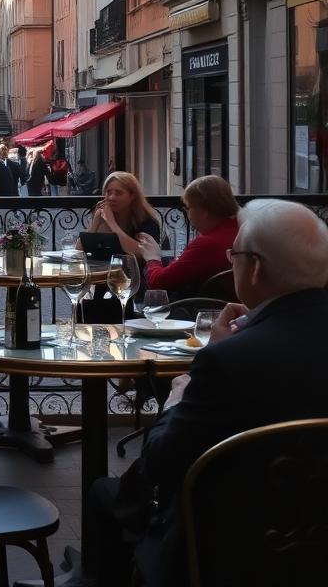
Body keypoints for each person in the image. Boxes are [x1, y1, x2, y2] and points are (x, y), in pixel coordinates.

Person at [86, 199, 328, 587]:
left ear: (255, 267)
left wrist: (179, 396)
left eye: (234, 256)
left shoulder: (228, 360)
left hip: (234, 551)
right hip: (313, 544)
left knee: (105, 492)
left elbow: (161, 464)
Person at [128, 175, 240, 298]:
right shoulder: (240, 231)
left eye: (188, 208)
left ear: (204, 211)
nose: (187, 213)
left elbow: (158, 282)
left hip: (196, 307)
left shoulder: (207, 244)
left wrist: (152, 258)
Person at [82, 171, 161, 321]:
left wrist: (112, 224)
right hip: (102, 284)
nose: (111, 197)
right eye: (108, 192)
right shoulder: (103, 217)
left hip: (135, 288)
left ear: (132, 196)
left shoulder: (146, 222)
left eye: (118, 193)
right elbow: (79, 251)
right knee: (84, 304)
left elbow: (141, 252)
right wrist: (95, 222)